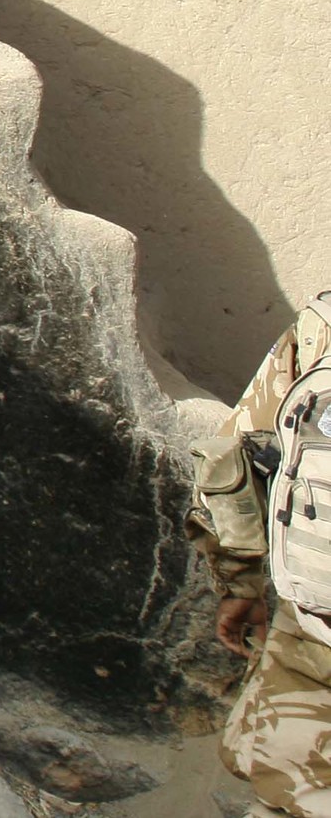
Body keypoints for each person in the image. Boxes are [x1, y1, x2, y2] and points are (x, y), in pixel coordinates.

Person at [191, 293, 331, 817]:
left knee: (283, 797)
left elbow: (234, 459)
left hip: (312, 635)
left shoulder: (323, 327)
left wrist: (241, 583)